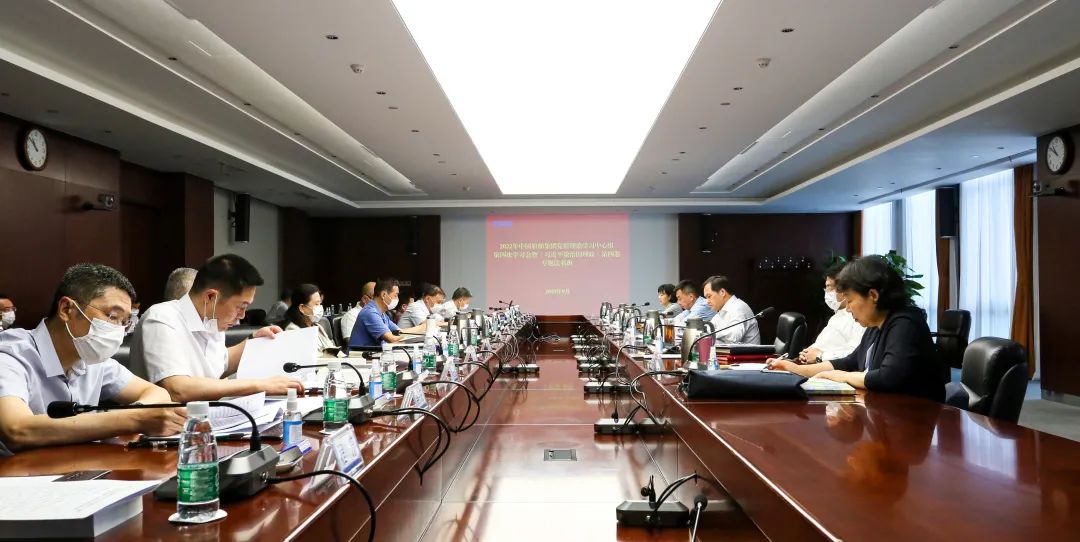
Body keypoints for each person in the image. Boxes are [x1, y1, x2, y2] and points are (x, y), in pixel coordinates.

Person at [0, 264, 184, 451]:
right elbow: (16, 429)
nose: (119, 330)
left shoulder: (93, 358)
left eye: (124, 322)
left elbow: (156, 393)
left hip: (76, 464)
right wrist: (133, 419)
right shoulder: (10, 354)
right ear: (66, 309)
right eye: (112, 316)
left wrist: (138, 414)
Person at [766, 256, 944, 401]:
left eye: (850, 300)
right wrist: (795, 370)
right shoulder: (875, 325)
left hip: (915, 417)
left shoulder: (905, 323)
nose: (848, 308)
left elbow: (889, 377)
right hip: (886, 412)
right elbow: (849, 362)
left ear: (873, 295)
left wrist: (841, 376)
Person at [129, 254, 302, 402]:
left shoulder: (211, 319)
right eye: (240, 307)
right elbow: (178, 389)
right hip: (168, 426)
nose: (242, 315)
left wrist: (254, 342)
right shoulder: (161, 318)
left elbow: (221, 363)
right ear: (211, 296)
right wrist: (260, 385)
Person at [789, 262, 865, 364]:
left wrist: (820, 356)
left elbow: (855, 355)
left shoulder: (859, 318)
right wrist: (806, 353)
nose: (827, 292)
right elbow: (822, 345)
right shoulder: (837, 316)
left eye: (829, 287)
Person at [348, 278, 429, 348]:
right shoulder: (370, 313)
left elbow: (399, 332)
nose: (397, 299)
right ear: (384, 295)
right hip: (359, 357)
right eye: (395, 295)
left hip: (371, 355)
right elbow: (392, 339)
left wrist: (423, 326)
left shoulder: (382, 313)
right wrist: (422, 327)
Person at [702, 275, 761, 344]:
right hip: (731, 350)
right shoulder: (722, 310)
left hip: (747, 351)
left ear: (722, 292)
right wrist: (710, 331)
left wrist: (712, 332)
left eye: (709, 296)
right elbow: (708, 327)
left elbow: (734, 337)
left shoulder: (738, 307)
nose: (707, 301)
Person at [283, 284, 336, 351]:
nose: (320, 307)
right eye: (316, 304)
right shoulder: (293, 330)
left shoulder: (318, 326)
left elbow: (332, 348)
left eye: (320, 304)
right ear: (302, 308)